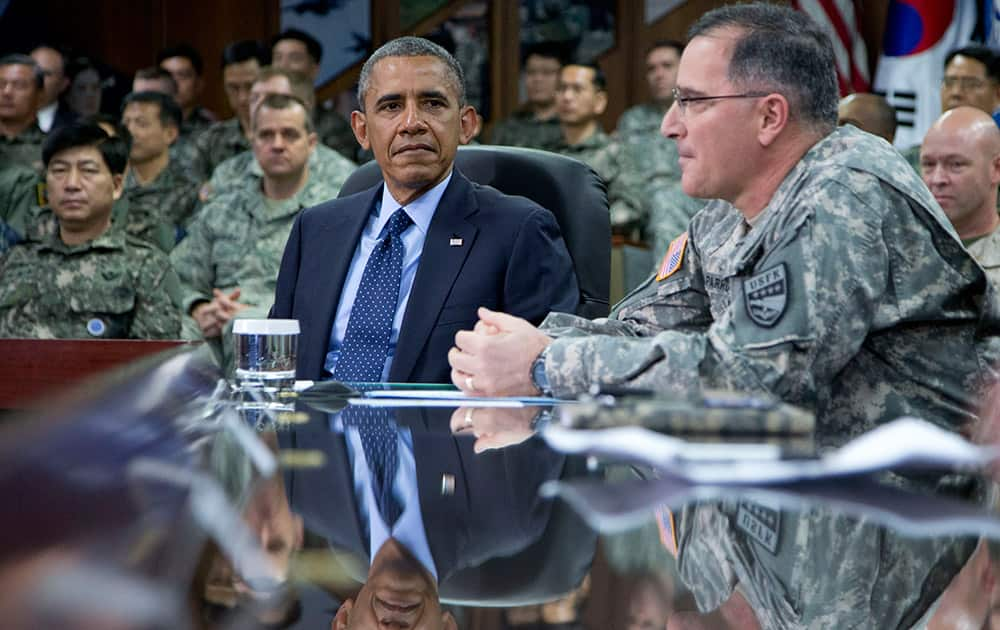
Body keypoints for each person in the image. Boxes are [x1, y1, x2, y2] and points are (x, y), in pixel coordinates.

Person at [449, 5, 998, 625]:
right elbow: (645, 327)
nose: (668, 126)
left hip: (896, 519)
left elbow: (750, 384)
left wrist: (547, 362)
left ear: (769, 115)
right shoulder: (728, 210)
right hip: (792, 498)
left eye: (692, 101)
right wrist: (518, 347)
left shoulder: (844, 194)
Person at [269, 36, 578, 384]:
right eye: (390, 106)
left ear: (465, 125)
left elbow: (547, 373)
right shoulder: (315, 229)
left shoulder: (518, 231)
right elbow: (274, 363)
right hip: (315, 431)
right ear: (361, 129)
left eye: (432, 103)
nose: (411, 122)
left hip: (445, 433)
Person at [170, 94, 339, 345]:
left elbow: (332, 296)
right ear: (253, 142)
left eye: (289, 134)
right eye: (266, 135)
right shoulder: (224, 208)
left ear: (311, 143)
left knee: (246, 329)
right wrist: (199, 307)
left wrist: (254, 317)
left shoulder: (332, 213)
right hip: (216, 329)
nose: (278, 144)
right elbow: (177, 275)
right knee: (171, 334)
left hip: (291, 334)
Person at [0, 122, 180, 339]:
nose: (72, 184)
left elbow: (156, 363)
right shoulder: (14, 262)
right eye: (59, 171)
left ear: (116, 186)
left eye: (88, 171)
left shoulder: (146, 267)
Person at [200, 66, 355, 205]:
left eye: (274, 99)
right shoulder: (229, 171)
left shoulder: (342, 176)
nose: (261, 107)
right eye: (254, 99)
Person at [616, 40, 703, 256]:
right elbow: (624, 172)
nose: (658, 74)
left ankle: (666, 286)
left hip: (689, 201)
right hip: (640, 203)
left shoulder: (702, 113)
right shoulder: (632, 119)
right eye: (651, 69)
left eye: (666, 66)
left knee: (666, 202)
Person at [549, 62, 645, 238]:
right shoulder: (546, 155)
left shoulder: (616, 152)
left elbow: (632, 208)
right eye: (562, 88)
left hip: (598, 245)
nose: (567, 97)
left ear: (599, 101)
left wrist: (584, 225)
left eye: (577, 89)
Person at [920, 106, 1000, 287]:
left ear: (996, 169)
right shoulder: (894, 248)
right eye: (929, 164)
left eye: (956, 164)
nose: (938, 179)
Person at [119, 90, 200, 248]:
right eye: (126, 123)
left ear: (170, 133)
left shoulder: (190, 188)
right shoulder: (109, 183)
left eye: (141, 124)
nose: (130, 131)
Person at [180, 40, 267, 183]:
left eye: (250, 86)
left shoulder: (289, 136)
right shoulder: (211, 140)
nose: (242, 98)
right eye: (233, 87)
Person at [270, 27, 357, 161]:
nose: (284, 66)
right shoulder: (262, 118)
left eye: (294, 58)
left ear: (314, 68)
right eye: (278, 58)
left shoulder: (334, 127)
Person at [488, 42, 565, 150]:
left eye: (547, 72)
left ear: (563, 76)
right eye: (531, 72)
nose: (538, 79)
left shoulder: (571, 126)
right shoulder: (508, 127)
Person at [157, 43, 217, 139]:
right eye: (167, 76)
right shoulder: (143, 123)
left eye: (182, 76)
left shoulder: (212, 128)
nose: (174, 83)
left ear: (199, 83)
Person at [0, 54, 46, 172]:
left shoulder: (51, 148)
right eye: (1, 84)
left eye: (19, 85)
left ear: (40, 95)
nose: (7, 92)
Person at [30, 45, 76, 134]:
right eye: (33, 71)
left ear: (63, 83)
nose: (37, 78)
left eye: (45, 73)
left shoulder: (77, 126)